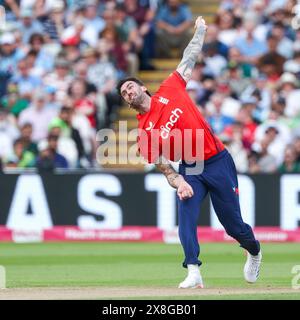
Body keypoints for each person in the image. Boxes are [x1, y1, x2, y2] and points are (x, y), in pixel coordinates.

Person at [117, 17, 262, 289]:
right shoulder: (144, 133)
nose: (128, 92)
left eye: (130, 86)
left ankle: (253, 249)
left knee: (233, 226)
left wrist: (202, 31)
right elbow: (165, 169)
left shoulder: (170, 88)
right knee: (185, 215)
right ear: (126, 101)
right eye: (124, 93)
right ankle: (193, 271)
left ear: (142, 87)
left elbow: (190, 56)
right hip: (190, 168)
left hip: (218, 160)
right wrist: (179, 181)